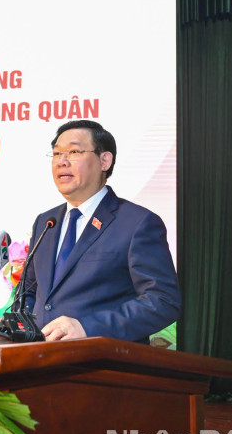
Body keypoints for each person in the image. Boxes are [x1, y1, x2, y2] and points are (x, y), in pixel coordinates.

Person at [22, 119, 180, 343]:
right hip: (38, 362)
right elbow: (29, 292)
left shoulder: (137, 223)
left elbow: (163, 301)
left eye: (74, 151)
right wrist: (18, 324)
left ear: (104, 160)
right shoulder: (46, 222)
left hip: (101, 365)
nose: (61, 162)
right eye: (56, 154)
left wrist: (87, 328)